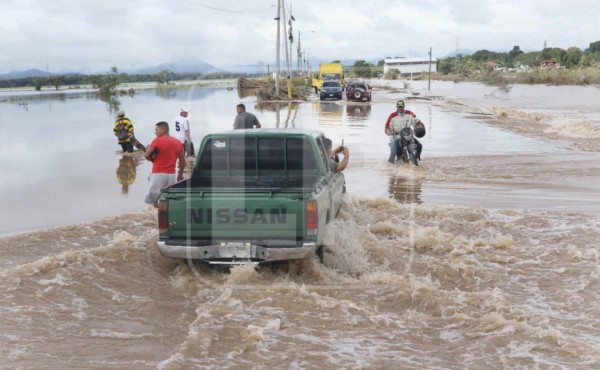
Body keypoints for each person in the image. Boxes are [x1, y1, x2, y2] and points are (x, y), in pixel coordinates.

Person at [144, 121, 186, 207]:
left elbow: (146, 155)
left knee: (154, 201)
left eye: (157, 129)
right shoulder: (178, 143)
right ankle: (167, 216)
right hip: (171, 176)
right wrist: (180, 174)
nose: (155, 132)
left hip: (158, 175)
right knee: (168, 200)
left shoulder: (157, 141)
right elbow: (182, 162)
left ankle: (156, 217)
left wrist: (153, 160)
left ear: (163, 130)